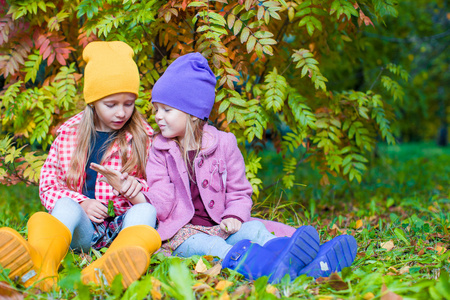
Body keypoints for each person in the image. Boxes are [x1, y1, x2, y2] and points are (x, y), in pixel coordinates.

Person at [142, 52, 358, 283]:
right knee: (210, 246)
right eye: (156, 110)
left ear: (193, 113)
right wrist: (137, 194)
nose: (158, 117)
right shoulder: (159, 150)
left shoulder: (224, 144)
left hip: (222, 224)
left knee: (254, 231)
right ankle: (267, 267)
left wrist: (234, 215)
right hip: (184, 234)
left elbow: (239, 190)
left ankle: (304, 258)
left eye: (166, 110)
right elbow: (162, 200)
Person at [0, 41, 161, 291]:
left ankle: (110, 266)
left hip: (122, 228)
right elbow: (49, 184)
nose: (121, 112)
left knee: (147, 214)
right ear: (93, 102)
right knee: (65, 205)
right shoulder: (69, 134)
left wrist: (130, 188)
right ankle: (43, 266)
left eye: (128, 103)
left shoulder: (143, 137)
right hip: (84, 231)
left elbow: (157, 192)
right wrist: (81, 203)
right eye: (111, 104)